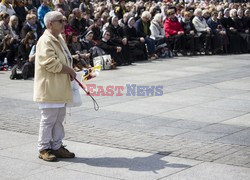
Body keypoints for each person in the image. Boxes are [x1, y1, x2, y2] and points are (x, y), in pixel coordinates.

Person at [34, 11, 76, 162]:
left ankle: (57, 146)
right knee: (48, 119)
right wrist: (69, 70)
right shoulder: (45, 40)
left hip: (59, 87)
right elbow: (51, 63)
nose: (64, 23)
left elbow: (63, 58)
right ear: (50, 23)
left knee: (59, 118)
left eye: (64, 20)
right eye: (61, 20)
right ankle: (44, 148)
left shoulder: (58, 38)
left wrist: (72, 63)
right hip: (49, 88)